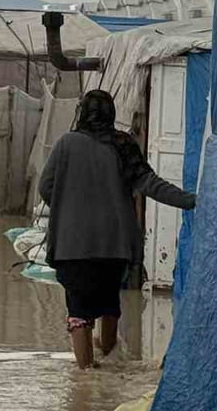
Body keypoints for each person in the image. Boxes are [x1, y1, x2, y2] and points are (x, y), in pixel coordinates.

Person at [39, 89, 195, 369]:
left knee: (79, 311)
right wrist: (193, 201)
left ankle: (86, 380)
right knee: (109, 304)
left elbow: (45, 189)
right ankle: (110, 364)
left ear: (81, 113)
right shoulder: (123, 144)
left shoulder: (65, 144)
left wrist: (69, 209)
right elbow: (151, 184)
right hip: (114, 246)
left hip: (72, 246)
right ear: (111, 115)